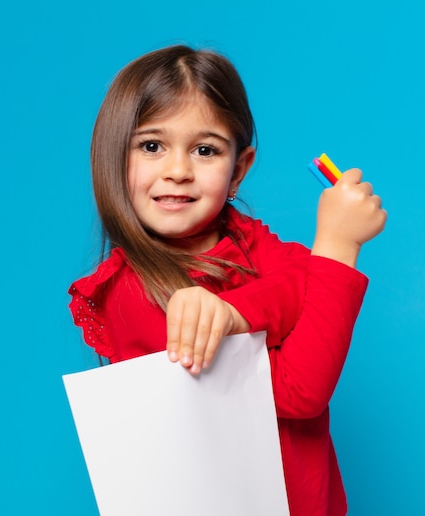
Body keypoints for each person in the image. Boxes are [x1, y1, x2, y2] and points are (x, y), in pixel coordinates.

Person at [68, 44, 386, 516]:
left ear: (238, 168)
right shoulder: (130, 294)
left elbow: (302, 275)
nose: (178, 171)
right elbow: (300, 391)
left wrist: (235, 314)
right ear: (114, 158)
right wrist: (338, 249)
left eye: (205, 150)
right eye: (152, 146)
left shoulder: (245, 237)